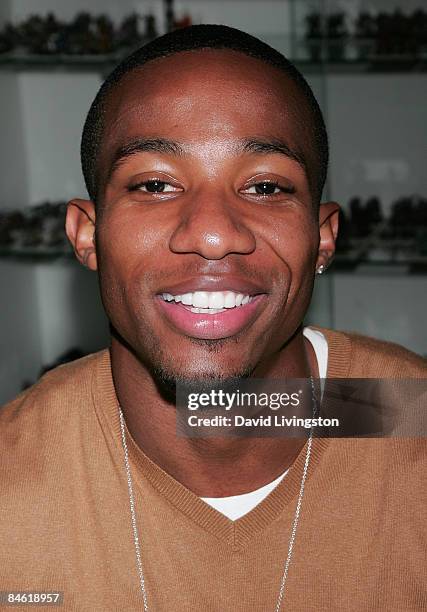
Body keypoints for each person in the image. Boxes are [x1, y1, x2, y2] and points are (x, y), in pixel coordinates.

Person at [1, 25, 425, 612]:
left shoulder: (407, 418)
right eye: (154, 184)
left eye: (265, 186)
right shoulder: (14, 474)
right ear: (87, 234)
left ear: (323, 239)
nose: (212, 233)